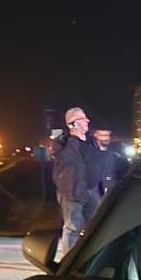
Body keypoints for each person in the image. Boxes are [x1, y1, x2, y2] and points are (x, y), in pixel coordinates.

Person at [52, 106, 92, 260]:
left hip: (90, 190)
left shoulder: (90, 142)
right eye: (83, 118)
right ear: (72, 124)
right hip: (71, 191)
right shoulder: (64, 143)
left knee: (95, 226)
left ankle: (87, 258)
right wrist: (75, 138)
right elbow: (69, 159)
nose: (88, 121)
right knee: (72, 227)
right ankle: (69, 262)